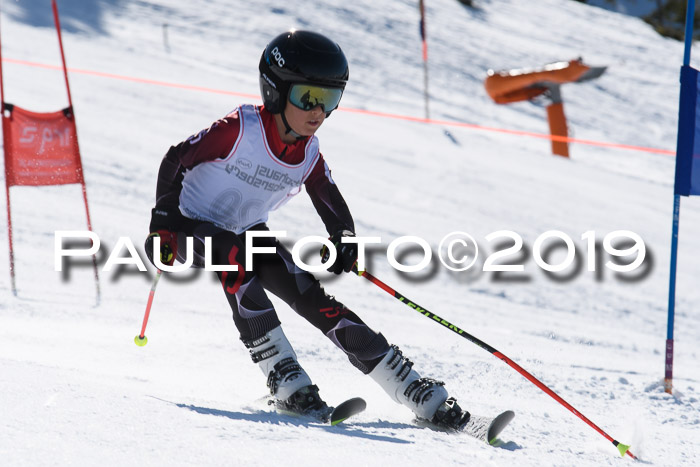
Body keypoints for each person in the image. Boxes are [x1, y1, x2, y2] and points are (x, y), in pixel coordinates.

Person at [145, 29, 471, 429]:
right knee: (232, 253)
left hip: (246, 232)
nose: (318, 112)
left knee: (306, 291)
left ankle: (409, 385)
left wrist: (344, 238)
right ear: (275, 92)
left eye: (330, 99)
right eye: (308, 98)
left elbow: (326, 194)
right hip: (187, 227)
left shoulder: (309, 153)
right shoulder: (239, 129)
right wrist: (162, 221)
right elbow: (176, 159)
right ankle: (283, 375)